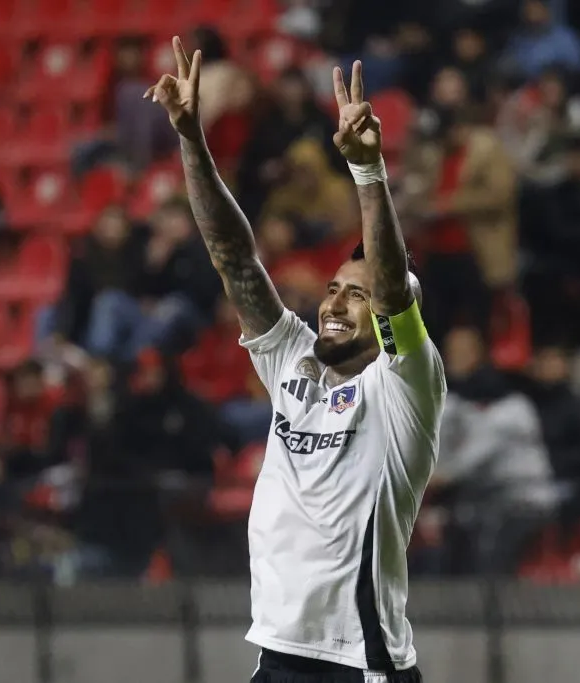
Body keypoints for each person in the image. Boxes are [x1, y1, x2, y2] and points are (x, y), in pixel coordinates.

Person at [148, 38, 443, 683]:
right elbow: (235, 259)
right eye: (334, 286)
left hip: (360, 662)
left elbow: (394, 291)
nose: (335, 301)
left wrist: (368, 173)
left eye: (357, 294)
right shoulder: (292, 363)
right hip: (280, 656)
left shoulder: (403, 386)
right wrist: (192, 141)